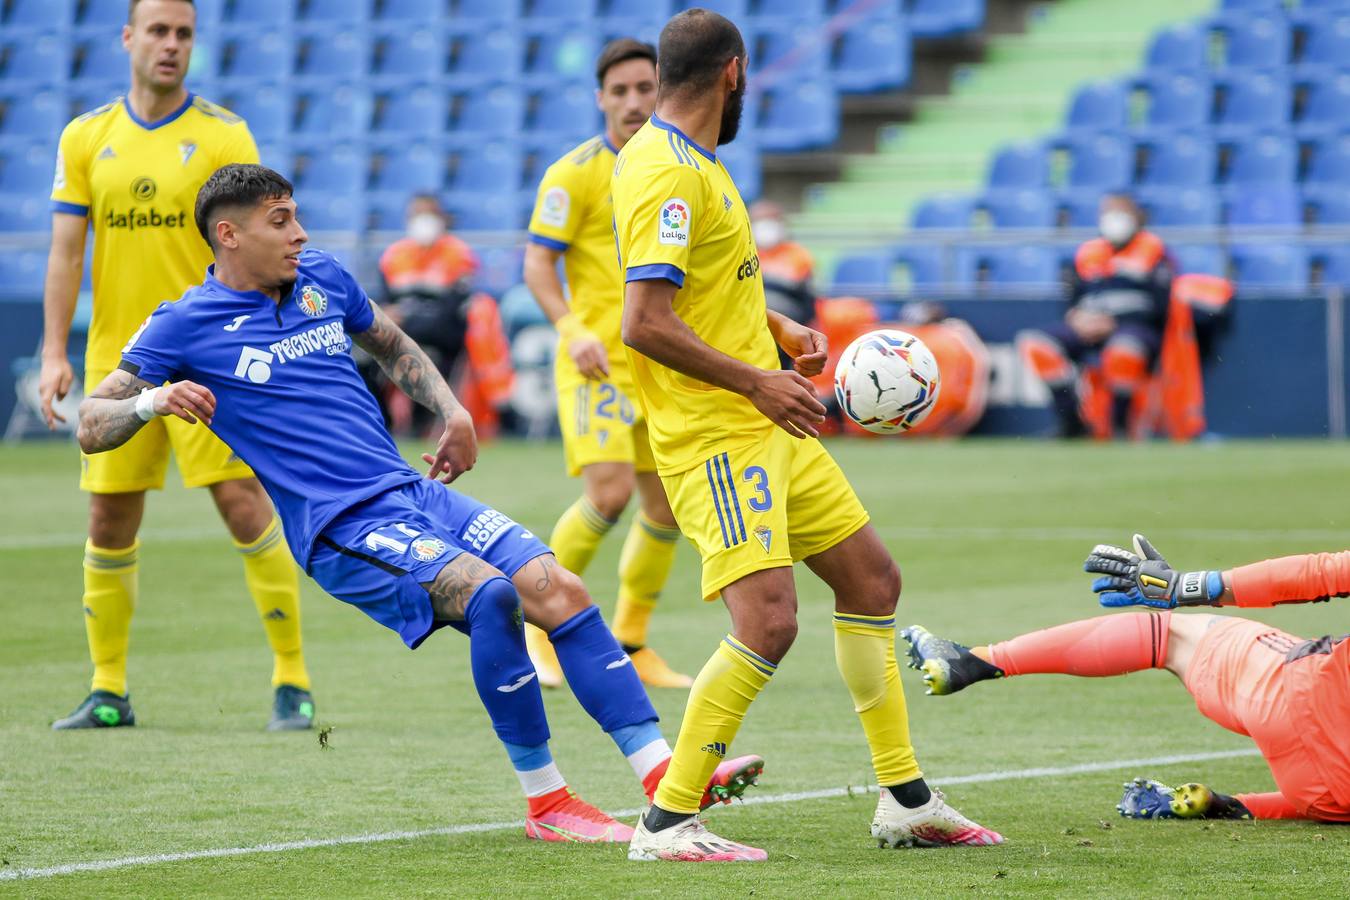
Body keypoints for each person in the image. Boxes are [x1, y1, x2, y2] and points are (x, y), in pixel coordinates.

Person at [77, 163, 764, 842]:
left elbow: (391, 341)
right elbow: (90, 422)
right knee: (492, 597)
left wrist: (452, 409)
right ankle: (548, 803)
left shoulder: (322, 280)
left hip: (413, 492)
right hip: (341, 527)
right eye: (280, 221)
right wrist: (151, 399)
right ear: (228, 234)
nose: (299, 234)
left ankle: (665, 777)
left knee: (565, 594)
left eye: (296, 216)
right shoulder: (184, 324)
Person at [611, 9, 1003, 862]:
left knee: (871, 578)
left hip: (765, 419)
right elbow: (642, 322)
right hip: (720, 435)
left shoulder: (689, 162)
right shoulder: (669, 175)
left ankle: (905, 800)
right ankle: (668, 822)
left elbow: (705, 288)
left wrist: (776, 329)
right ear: (735, 74)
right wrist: (756, 377)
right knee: (768, 623)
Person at [38, 0, 314, 731]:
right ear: (128, 39)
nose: (171, 45)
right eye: (157, 31)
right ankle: (107, 691)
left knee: (244, 503)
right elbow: (67, 251)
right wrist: (51, 352)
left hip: (213, 355)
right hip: (118, 359)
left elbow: (260, 240)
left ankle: (293, 681)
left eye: (183, 33)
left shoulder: (223, 134)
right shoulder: (86, 136)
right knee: (109, 516)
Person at [902, 534, 1350, 824]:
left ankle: (975, 661)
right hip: (1321, 797)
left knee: (1170, 635)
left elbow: (1324, 572)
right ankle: (1230, 806)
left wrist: (1186, 586)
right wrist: (1241, 805)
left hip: (1302, 694)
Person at [523, 38, 691, 690]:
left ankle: (633, 640)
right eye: (618, 91)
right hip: (593, 363)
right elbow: (538, 263)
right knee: (610, 493)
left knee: (666, 508)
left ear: (662, 92)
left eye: (644, 89)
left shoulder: (674, 170)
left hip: (657, 361)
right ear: (600, 98)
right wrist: (570, 329)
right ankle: (538, 625)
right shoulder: (574, 173)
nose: (631, 102)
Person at [1017, 194, 1174, 438]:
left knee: (1124, 350)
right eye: (1108, 212)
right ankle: (1071, 421)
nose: (1114, 219)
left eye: (1121, 212)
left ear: (1137, 216)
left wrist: (1115, 323)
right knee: (1036, 343)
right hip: (1089, 328)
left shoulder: (1155, 252)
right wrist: (1077, 318)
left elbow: (1162, 306)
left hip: (1135, 328)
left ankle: (1119, 425)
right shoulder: (1088, 253)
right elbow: (1072, 299)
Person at [367, 194, 478, 435]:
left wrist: (402, 322)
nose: (422, 220)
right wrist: (388, 319)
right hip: (397, 334)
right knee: (362, 359)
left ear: (441, 218)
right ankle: (384, 426)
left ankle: (421, 429)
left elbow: (448, 316)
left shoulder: (458, 255)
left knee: (422, 359)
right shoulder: (393, 256)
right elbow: (384, 304)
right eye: (417, 214)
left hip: (442, 339)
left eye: (428, 214)